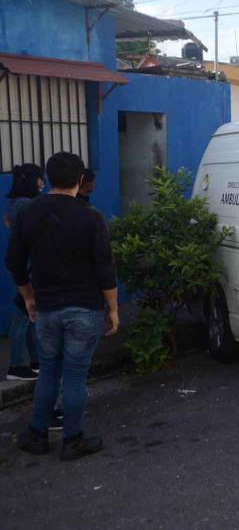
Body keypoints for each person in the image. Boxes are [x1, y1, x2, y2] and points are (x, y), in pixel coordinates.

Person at [5, 152, 119, 461]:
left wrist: (29, 298)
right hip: (84, 309)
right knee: (74, 375)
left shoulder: (28, 213)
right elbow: (105, 270)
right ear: (81, 180)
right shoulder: (91, 217)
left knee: (48, 373)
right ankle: (73, 440)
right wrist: (113, 310)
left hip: (46, 309)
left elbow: (14, 262)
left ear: (48, 178)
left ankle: (37, 435)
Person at [3, 164, 43, 381]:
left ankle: (35, 361)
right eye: (39, 178)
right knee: (22, 314)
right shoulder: (26, 204)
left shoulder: (16, 204)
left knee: (30, 314)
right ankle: (16, 366)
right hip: (26, 266)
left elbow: (8, 223)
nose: (41, 182)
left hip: (22, 264)